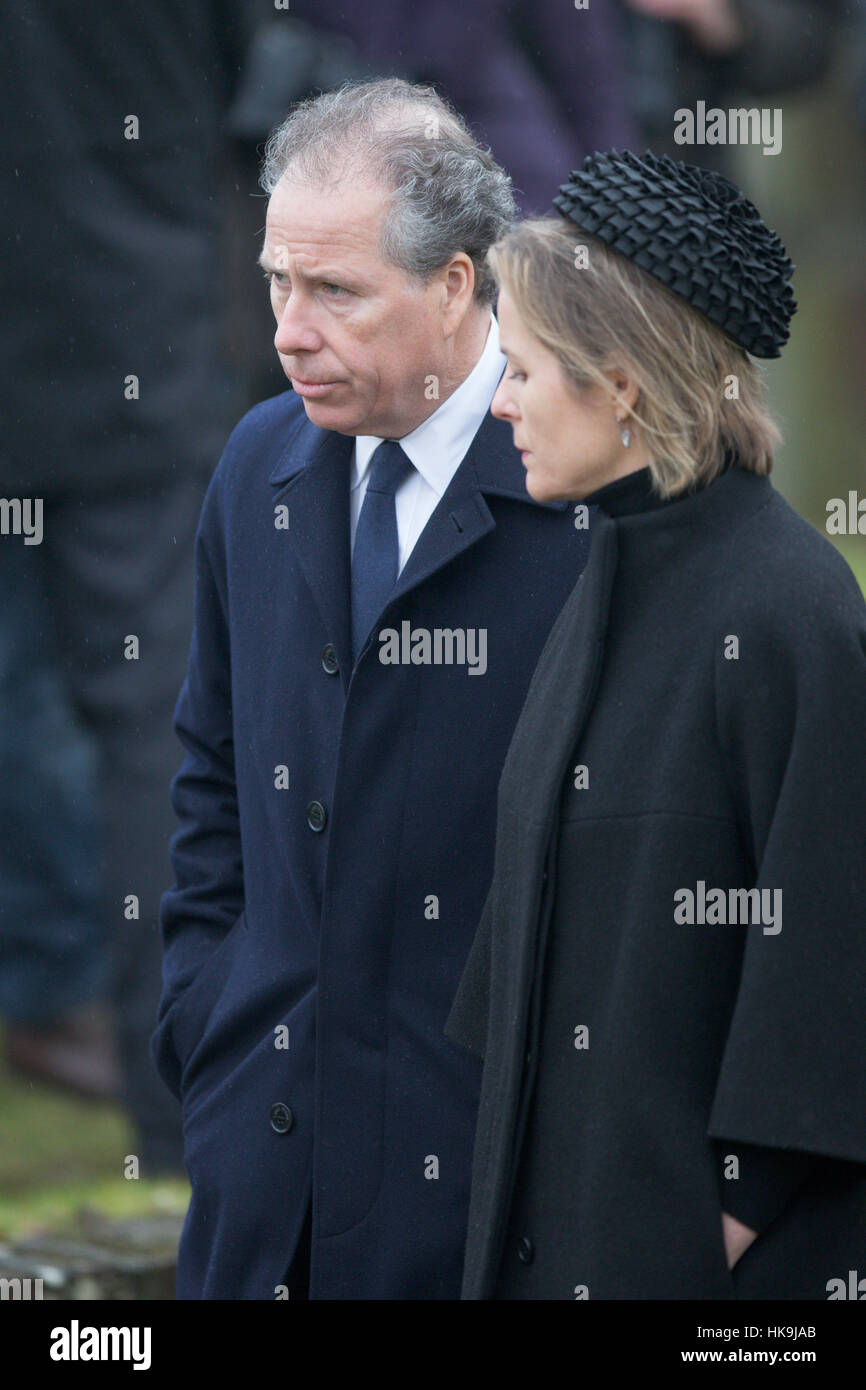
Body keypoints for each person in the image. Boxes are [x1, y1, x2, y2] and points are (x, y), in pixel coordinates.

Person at [150, 78, 591, 1300]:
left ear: (457, 285)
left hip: (479, 1199)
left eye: (335, 292)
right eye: (279, 281)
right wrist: (210, 1028)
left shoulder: (588, 495)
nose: (289, 327)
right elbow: (209, 783)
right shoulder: (257, 464)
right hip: (262, 1175)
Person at [445, 149, 866, 1299]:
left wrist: (717, 1221)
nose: (500, 402)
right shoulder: (606, 570)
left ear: (619, 384)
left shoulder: (788, 613)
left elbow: (826, 965)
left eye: (523, 370)